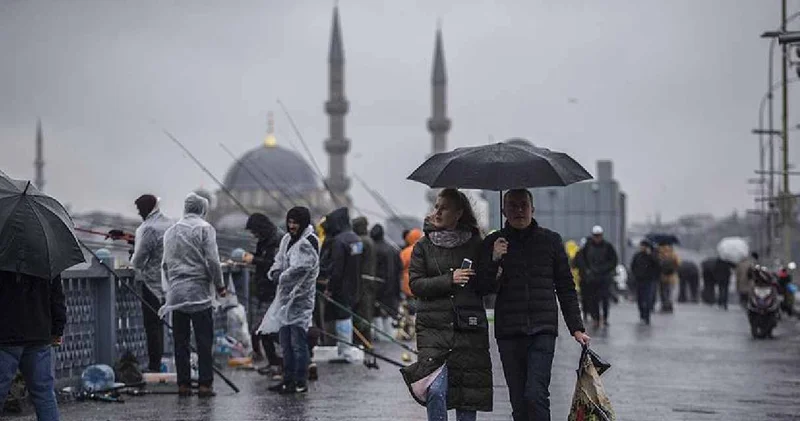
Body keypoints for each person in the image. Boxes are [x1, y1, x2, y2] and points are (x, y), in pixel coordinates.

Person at [477, 189, 590, 421]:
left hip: (542, 329)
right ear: (504, 211)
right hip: (509, 331)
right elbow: (483, 287)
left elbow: (565, 286)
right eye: (512, 206)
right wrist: (495, 258)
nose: (519, 210)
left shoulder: (551, 241)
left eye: (523, 205)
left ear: (532, 209)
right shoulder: (494, 243)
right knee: (518, 402)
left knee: (535, 394)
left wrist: (576, 327)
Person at [400, 189, 492, 421]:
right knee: (435, 390)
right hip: (433, 330)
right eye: (436, 207)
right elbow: (416, 285)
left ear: (459, 213)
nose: (438, 212)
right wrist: (449, 279)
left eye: (444, 208)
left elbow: (486, 286)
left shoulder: (476, 244)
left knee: (466, 398)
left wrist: (497, 261)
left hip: (468, 330)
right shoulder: (423, 246)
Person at [159, 193, 226, 398]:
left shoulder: (171, 231)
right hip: (199, 293)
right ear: (202, 209)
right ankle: (205, 384)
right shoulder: (205, 229)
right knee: (204, 340)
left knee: (180, 341)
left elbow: (165, 264)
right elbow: (213, 261)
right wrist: (220, 285)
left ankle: (184, 385)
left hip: (177, 295)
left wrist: (172, 286)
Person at [265, 207, 320, 394]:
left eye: (295, 222)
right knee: (285, 342)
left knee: (298, 343)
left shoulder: (309, 241)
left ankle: (300, 381)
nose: (292, 226)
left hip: (300, 300)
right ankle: (287, 380)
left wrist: (280, 277)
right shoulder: (287, 239)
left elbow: (300, 269)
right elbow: (279, 260)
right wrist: (274, 271)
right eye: (289, 222)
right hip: (285, 299)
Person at [0, 271, 66, 421]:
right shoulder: (46, 261)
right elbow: (57, 297)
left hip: (5, 336)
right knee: (44, 394)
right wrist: (58, 329)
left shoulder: (3, 259)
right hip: (39, 334)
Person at [130, 194, 172, 373]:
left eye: (140, 210)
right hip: (168, 283)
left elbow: (139, 259)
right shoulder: (169, 224)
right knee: (161, 324)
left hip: (151, 284)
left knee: (152, 326)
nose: (139, 213)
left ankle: (154, 366)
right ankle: (159, 362)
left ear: (146, 209)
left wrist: (132, 260)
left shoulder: (148, 228)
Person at [242, 213, 283, 380]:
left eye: (255, 231)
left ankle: (280, 363)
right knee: (263, 329)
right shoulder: (265, 240)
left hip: (273, 291)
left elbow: (273, 264)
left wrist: (254, 260)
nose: (254, 235)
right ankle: (273, 362)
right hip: (263, 289)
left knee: (267, 328)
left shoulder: (276, 240)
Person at [320, 207, 362, 363]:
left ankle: (345, 353)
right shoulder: (355, 238)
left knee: (342, 317)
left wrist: (330, 288)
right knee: (347, 316)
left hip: (341, 287)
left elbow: (337, 269)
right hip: (354, 284)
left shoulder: (339, 241)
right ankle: (345, 350)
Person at [576, 226, 618, 328]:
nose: (597, 238)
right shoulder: (588, 247)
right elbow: (581, 260)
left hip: (604, 277)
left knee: (605, 299)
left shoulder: (608, 246)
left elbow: (613, 261)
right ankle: (596, 318)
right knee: (593, 299)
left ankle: (605, 317)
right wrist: (587, 271)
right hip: (592, 278)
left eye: (599, 236)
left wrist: (604, 269)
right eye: (595, 236)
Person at [371, 223, 403, 339]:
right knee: (389, 316)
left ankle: (381, 339)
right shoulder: (393, 249)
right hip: (393, 288)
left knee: (377, 315)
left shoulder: (373, 249)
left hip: (377, 288)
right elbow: (399, 269)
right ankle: (389, 339)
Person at [352, 216, 377, 344]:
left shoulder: (360, 241)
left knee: (362, 311)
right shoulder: (369, 241)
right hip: (369, 279)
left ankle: (363, 340)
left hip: (361, 281)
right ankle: (367, 339)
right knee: (367, 310)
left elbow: (354, 260)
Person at [630, 240, 660, 324]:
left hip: (649, 280)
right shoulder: (637, 256)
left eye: (644, 246)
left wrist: (650, 255)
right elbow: (633, 266)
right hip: (639, 280)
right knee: (640, 299)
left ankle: (647, 316)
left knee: (647, 299)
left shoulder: (652, 256)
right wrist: (635, 275)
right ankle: (642, 315)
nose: (642, 248)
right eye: (641, 246)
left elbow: (658, 265)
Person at [657, 244, 680, 313]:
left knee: (663, 292)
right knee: (669, 292)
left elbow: (657, 263)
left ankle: (664, 306)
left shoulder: (660, 253)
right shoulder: (673, 254)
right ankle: (669, 306)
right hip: (671, 277)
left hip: (662, 276)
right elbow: (678, 263)